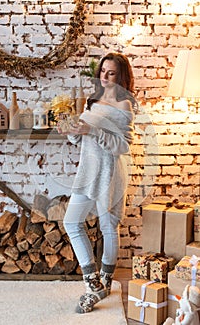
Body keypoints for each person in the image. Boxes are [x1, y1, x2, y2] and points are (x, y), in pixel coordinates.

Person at [58, 52, 137, 314]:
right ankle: (92, 282)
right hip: (88, 170)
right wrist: (72, 132)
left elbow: (123, 145)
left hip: (110, 172)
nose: (104, 76)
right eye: (102, 71)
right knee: (72, 221)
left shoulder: (124, 105)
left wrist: (92, 130)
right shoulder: (93, 101)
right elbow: (83, 138)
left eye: (111, 72)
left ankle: (106, 280)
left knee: (108, 225)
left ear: (121, 76)